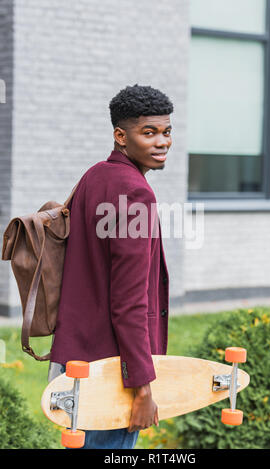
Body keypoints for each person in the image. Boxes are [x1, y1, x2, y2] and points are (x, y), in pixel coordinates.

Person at [49, 84, 173, 449]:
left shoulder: (94, 176)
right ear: (121, 135)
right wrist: (142, 387)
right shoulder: (137, 194)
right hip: (110, 372)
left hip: (72, 358)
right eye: (147, 132)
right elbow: (129, 302)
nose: (161, 142)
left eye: (166, 132)